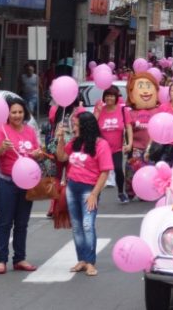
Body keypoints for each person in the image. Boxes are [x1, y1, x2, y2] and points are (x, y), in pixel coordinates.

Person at [0, 96, 45, 274]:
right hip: (7, 182)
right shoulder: (2, 130)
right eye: (13, 112)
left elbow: (38, 152)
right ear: (7, 114)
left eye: (20, 112)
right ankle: (1, 260)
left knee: (22, 223)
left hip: (27, 184)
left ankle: (20, 258)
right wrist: (2, 148)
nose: (17, 115)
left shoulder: (30, 131)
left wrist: (38, 154)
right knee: (5, 222)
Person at [56, 112, 113, 277]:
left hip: (89, 189)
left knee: (87, 225)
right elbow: (61, 157)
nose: (74, 128)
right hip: (72, 188)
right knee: (76, 226)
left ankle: (90, 262)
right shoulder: (75, 142)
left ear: (85, 127)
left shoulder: (101, 144)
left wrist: (94, 194)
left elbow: (105, 171)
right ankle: (81, 259)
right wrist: (60, 139)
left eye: (76, 125)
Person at [94, 86, 132, 203]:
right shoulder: (100, 109)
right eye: (107, 96)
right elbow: (92, 126)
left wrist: (130, 143)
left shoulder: (123, 110)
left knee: (118, 169)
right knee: (99, 172)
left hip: (117, 148)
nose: (109, 98)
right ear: (104, 97)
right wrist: (98, 112)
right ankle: (96, 194)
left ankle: (120, 192)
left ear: (116, 98)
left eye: (112, 96)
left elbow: (128, 127)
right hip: (102, 148)